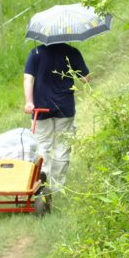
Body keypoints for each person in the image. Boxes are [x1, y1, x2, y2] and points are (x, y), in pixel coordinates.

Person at [23, 43, 90, 190]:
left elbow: (28, 79)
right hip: (64, 106)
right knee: (62, 145)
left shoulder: (35, 52)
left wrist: (29, 102)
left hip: (40, 107)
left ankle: (42, 179)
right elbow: (85, 79)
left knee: (41, 144)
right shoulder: (71, 51)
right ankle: (57, 187)